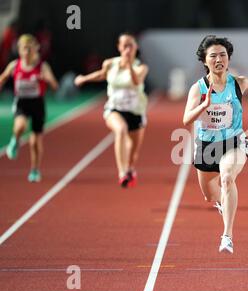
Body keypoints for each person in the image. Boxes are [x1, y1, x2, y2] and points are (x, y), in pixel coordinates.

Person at [183, 35, 248, 254]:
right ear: (205, 61)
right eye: (213, 56)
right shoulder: (198, 88)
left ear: (228, 58)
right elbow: (186, 120)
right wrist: (204, 105)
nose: (219, 59)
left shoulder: (238, 83)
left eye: (223, 55)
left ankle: (227, 235)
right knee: (209, 195)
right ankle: (222, 203)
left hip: (234, 141)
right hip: (206, 146)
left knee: (227, 177)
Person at [74, 33, 148, 188]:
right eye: (125, 45)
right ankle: (122, 173)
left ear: (136, 47)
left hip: (136, 112)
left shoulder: (141, 67)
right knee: (121, 130)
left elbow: (136, 81)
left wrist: (128, 65)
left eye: (131, 45)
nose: (128, 48)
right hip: (114, 108)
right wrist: (84, 79)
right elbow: (101, 75)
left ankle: (129, 168)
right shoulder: (110, 64)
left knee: (133, 155)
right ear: (119, 47)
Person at [0, 34, 59, 182]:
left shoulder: (42, 66)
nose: (27, 52)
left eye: (30, 49)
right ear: (19, 50)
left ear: (35, 50)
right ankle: (15, 140)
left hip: (37, 104)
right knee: (20, 126)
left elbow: (55, 85)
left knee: (34, 141)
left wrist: (46, 79)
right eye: (24, 49)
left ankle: (34, 170)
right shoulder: (15, 65)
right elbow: (3, 78)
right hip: (22, 102)